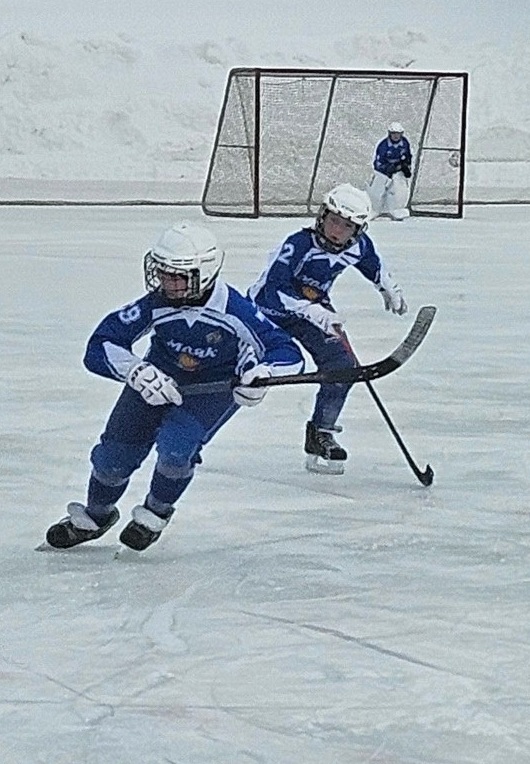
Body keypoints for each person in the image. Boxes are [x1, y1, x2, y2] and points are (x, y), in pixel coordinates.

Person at [46, 222, 314, 552]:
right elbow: (100, 345)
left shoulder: (235, 309)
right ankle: (96, 515)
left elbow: (285, 350)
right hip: (153, 383)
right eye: (163, 273)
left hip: (212, 390)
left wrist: (263, 375)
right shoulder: (154, 304)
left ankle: (154, 515)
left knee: (176, 451)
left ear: (204, 273)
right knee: (112, 458)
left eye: (177, 276)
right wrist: (137, 372)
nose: (166, 283)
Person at [250, 184, 406, 474]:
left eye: (347, 226)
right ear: (322, 216)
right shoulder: (298, 244)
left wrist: (387, 286)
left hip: (314, 311)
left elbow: (372, 265)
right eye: (334, 220)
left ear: (358, 231)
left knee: (342, 365)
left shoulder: (359, 246)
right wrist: (313, 311)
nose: (337, 230)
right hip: (266, 313)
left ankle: (321, 433)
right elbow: (273, 289)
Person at [368, 122, 414, 221]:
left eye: (398, 133)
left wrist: (406, 166)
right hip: (383, 171)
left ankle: (397, 209)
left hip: (398, 170)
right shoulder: (383, 145)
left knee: (400, 188)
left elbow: (408, 155)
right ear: (389, 134)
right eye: (394, 133)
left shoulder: (404, 143)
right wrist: (387, 169)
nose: (396, 136)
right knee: (377, 189)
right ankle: (374, 210)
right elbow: (378, 162)